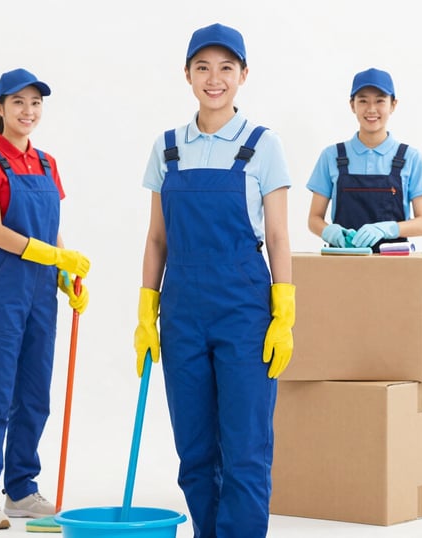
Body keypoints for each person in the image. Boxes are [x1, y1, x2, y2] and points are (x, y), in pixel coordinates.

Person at [133, 23, 294, 538]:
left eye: (226, 67)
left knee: (245, 448)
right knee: (196, 450)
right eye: (203, 67)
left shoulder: (262, 145)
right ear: (187, 74)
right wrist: (145, 311)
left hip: (244, 307)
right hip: (180, 309)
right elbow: (158, 238)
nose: (214, 78)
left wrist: (284, 313)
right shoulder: (166, 148)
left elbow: (278, 236)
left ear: (243, 75)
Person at [0, 68, 91, 530]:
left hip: (41, 290)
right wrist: (49, 253)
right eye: (17, 103)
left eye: (35, 103)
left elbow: (50, 226)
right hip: (2, 285)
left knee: (35, 393)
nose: (28, 111)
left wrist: (64, 274)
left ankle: (20, 489)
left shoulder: (47, 164)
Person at [307, 67, 422, 252]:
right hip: (343, 263)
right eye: (363, 100)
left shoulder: (410, 158)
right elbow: (314, 219)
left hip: (394, 267)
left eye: (380, 101)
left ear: (393, 105)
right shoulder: (332, 156)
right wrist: (329, 231)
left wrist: (389, 228)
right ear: (352, 105)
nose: (371, 109)